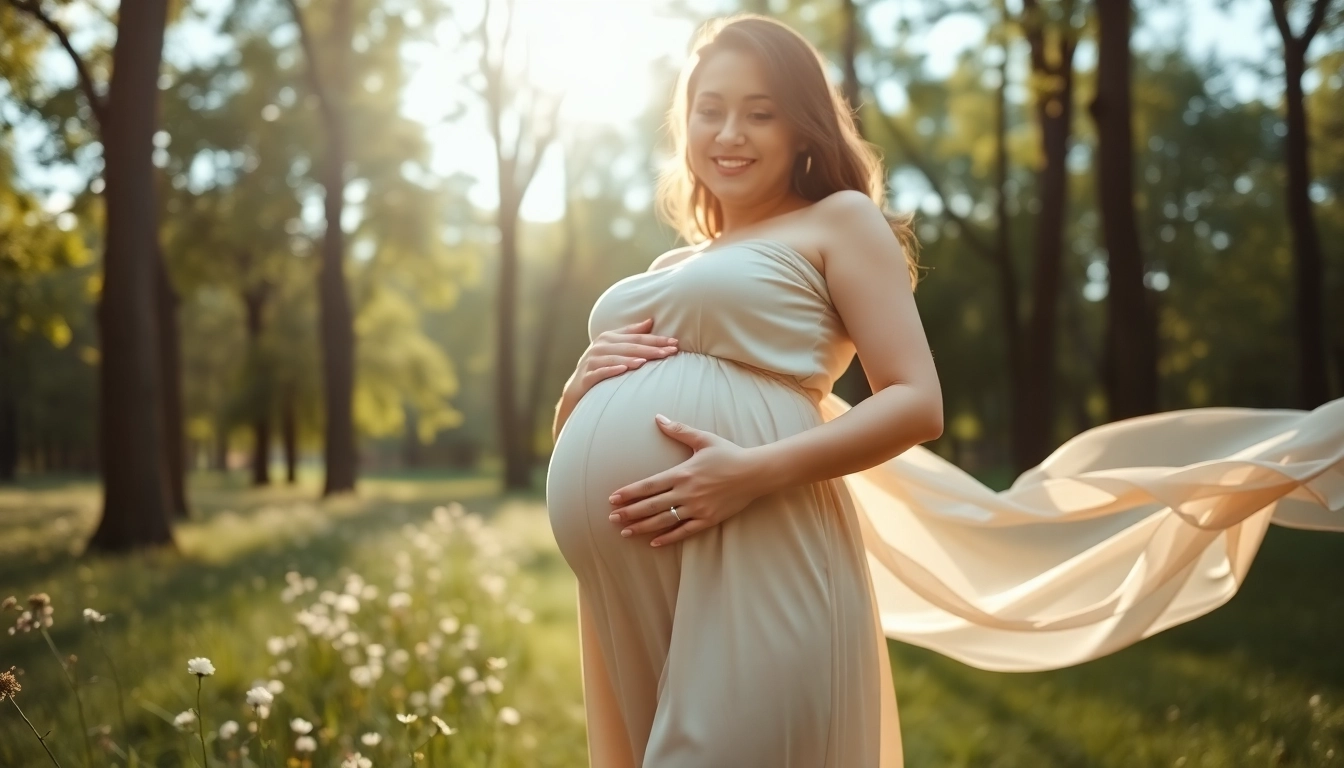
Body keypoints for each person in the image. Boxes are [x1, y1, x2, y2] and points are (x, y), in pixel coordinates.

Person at [545, 14, 1344, 768]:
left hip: (758, 537)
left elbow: (916, 401)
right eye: (709, 110)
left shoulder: (838, 221)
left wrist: (749, 472)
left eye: (759, 113)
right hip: (634, 578)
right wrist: (575, 399)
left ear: (800, 131)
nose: (728, 133)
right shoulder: (671, 264)